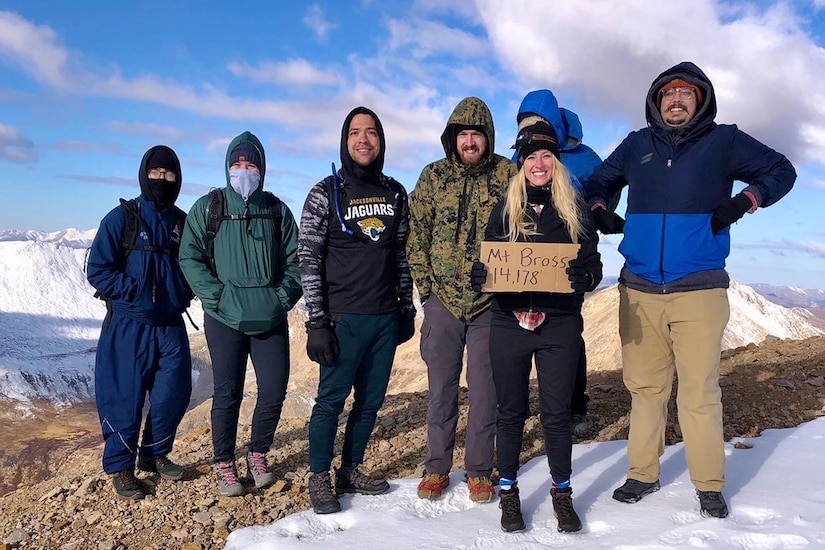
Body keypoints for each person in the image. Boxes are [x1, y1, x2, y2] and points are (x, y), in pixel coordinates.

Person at [585, 61, 796, 518]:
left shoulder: (725, 141)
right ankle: (642, 473)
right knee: (645, 388)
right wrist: (601, 207)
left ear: (700, 100)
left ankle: (709, 483)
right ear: (656, 102)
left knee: (698, 391)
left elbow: (782, 170)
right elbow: (599, 181)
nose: (675, 100)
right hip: (638, 288)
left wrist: (745, 200)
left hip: (698, 288)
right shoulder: (638, 144)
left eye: (685, 93)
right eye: (667, 94)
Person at [472, 120, 602, 533]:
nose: (539, 163)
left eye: (547, 155)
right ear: (521, 163)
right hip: (509, 322)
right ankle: (508, 494)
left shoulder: (574, 208)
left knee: (556, 414)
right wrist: (482, 276)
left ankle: (562, 493)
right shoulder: (506, 207)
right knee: (510, 412)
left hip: (559, 324)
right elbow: (490, 260)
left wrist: (587, 279)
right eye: (531, 156)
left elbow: (593, 263)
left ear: (557, 162)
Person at [298, 106, 416, 514]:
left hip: (384, 317)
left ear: (381, 141)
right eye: (354, 133)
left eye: (371, 132)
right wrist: (317, 322)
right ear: (344, 141)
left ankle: (350, 468)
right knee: (330, 400)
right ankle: (318, 476)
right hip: (342, 318)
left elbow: (402, 254)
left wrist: (406, 307)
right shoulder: (325, 192)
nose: (363, 139)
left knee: (370, 401)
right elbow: (308, 258)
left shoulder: (395, 192)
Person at [179, 131, 302, 497]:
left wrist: (280, 299)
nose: (243, 171)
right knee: (228, 391)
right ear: (227, 167)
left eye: (251, 164)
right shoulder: (208, 207)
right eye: (237, 164)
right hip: (224, 317)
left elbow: (296, 261)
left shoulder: (277, 210)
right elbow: (190, 256)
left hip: (270, 316)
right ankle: (224, 462)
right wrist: (216, 297)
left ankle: (258, 452)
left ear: (262, 169)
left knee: (274, 388)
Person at [407, 97, 518, 503]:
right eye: (463, 135)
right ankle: (436, 467)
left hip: (491, 305)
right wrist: (428, 290)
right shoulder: (433, 177)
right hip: (443, 302)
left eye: (477, 134)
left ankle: (478, 470)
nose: (469, 142)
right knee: (441, 389)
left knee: (486, 390)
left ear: (488, 137)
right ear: (452, 139)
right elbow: (416, 235)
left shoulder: (509, 174)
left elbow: (523, 231)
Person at [87, 145, 193, 500]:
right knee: (123, 395)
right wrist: (131, 290)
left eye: (169, 174)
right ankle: (121, 467)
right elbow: (98, 270)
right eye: (156, 173)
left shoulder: (182, 223)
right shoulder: (122, 218)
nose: (162, 180)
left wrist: (183, 293)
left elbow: (195, 266)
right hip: (127, 324)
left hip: (170, 323)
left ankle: (155, 454)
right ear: (144, 174)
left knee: (172, 395)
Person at [513, 89, 612, 437]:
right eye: (524, 125)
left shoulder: (584, 159)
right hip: (526, 262)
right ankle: (520, 405)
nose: (530, 131)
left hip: (569, 260)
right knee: (520, 333)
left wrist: (596, 211)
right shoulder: (519, 158)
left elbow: (603, 192)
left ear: (553, 124)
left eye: (537, 124)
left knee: (570, 335)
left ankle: (574, 406)